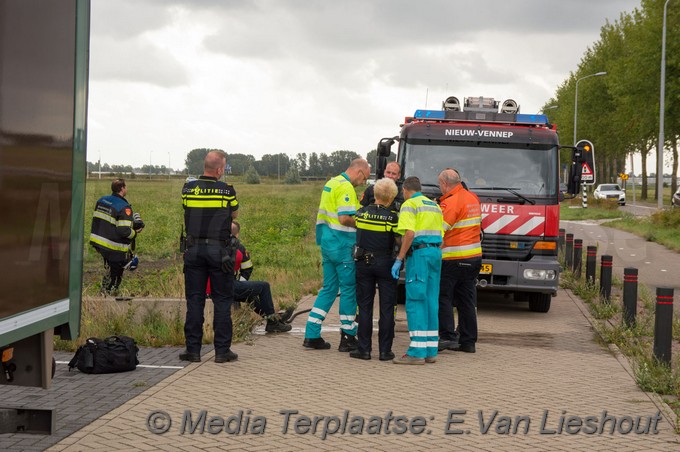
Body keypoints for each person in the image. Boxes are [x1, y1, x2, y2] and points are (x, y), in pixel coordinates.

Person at [303, 158, 370, 351]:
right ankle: (348, 336)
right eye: (364, 178)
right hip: (343, 246)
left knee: (329, 288)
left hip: (327, 244)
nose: (363, 182)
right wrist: (364, 224)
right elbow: (344, 218)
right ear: (358, 172)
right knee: (349, 289)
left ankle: (311, 333)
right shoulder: (346, 187)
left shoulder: (331, 183)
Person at [180, 150, 239, 364]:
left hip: (194, 251)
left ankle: (192, 350)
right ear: (220, 169)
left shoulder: (188, 189)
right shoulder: (227, 191)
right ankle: (222, 351)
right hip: (219, 252)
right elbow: (234, 215)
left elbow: (187, 208)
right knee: (222, 300)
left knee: (195, 300)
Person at [391, 177, 443, 365]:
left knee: (415, 300)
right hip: (435, 253)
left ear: (405, 189)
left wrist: (399, 258)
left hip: (419, 255)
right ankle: (430, 350)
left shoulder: (409, 205)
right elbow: (442, 237)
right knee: (431, 301)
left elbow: (409, 234)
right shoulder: (434, 206)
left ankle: (416, 352)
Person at [206, 221, 291, 333]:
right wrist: (241, 283)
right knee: (264, 286)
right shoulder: (235, 248)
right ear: (236, 234)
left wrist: (242, 285)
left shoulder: (210, 246)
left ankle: (274, 319)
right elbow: (245, 267)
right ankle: (273, 322)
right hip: (225, 286)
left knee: (250, 295)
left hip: (211, 288)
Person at [350, 178, 401, 362]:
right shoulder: (394, 217)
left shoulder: (361, 213)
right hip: (386, 263)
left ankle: (363, 350)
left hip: (363, 263)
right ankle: (385, 351)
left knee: (364, 307)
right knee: (387, 308)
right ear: (391, 197)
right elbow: (398, 239)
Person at [437, 168, 482, 354]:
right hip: (474, 258)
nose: (440, 188)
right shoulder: (473, 198)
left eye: (440, 184)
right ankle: (468, 341)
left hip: (453, 259)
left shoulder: (450, 203)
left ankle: (447, 336)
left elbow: (439, 232)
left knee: (444, 298)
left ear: (446, 184)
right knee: (467, 301)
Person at [90, 178, 144, 295]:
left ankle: (105, 292)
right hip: (113, 246)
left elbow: (108, 222)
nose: (126, 189)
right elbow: (124, 231)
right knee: (116, 272)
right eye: (126, 187)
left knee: (111, 269)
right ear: (122, 189)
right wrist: (135, 232)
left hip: (99, 242)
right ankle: (107, 294)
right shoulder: (124, 207)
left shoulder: (101, 200)